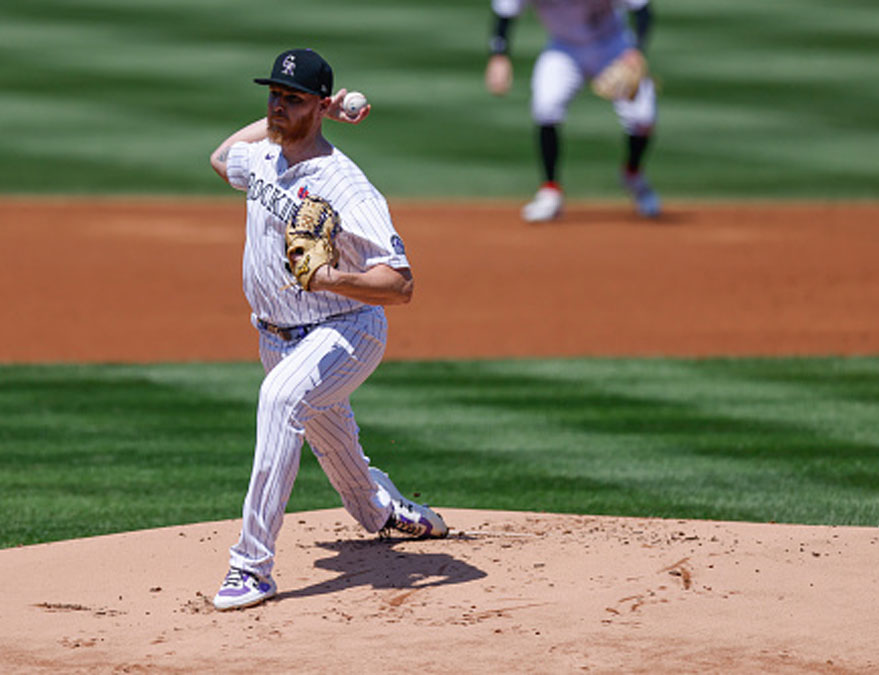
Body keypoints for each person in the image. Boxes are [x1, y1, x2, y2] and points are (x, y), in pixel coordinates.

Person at [207, 47, 449, 612]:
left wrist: (331, 277)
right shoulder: (264, 157)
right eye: (273, 95)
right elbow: (221, 159)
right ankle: (381, 509)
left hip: (345, 331)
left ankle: (251, 567)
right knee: (335, 447)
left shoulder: (346, 185)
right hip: (276, 336)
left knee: (280, 400)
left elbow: (400, 284)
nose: (277, 107)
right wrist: (296, 118)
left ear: (315, 106)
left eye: (292, 99)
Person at [484, 0, 662, 221]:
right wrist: (499, 56)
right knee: (545, 105)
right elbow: (504, 14)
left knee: (643, 117)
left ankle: (633, 175)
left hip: (614, 45)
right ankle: (550, 191)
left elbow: (642, 9)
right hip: (564, 49)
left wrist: (636, 51)